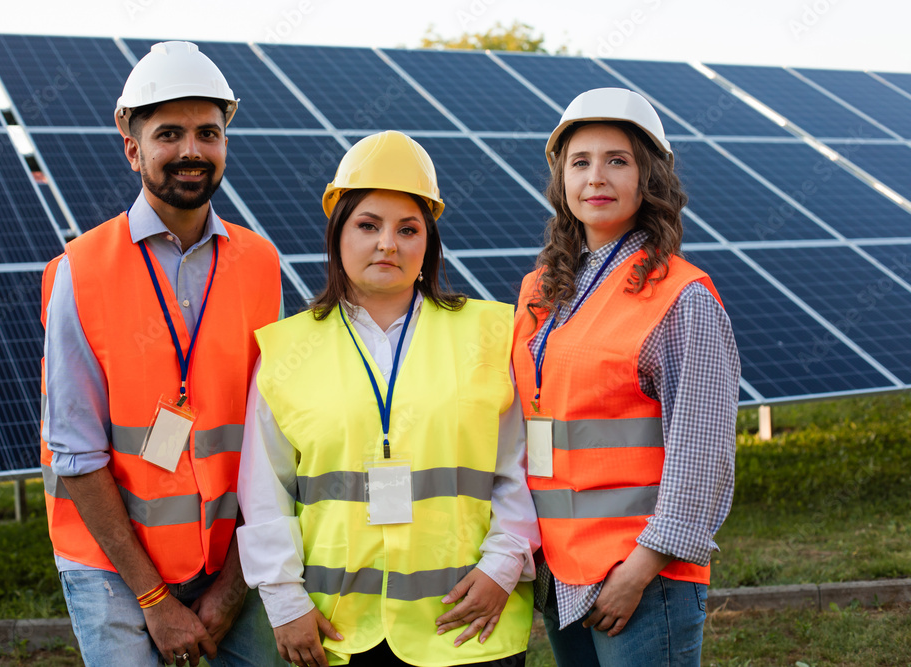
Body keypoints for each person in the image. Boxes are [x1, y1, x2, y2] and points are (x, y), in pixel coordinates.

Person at [236, 130, 539, 667]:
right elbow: (265, 489)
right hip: (339, 628)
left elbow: (521, 464)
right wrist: (283, 600)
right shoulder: (287, 348)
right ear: (337, 235)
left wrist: (504, 565)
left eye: (408, 229)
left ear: (429, 242)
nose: (388, 244)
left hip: (468, 623)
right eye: (368, 225)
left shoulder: (491, 333)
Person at [39, 41, 283, 667]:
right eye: (168, 133)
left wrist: (233, 583)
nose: (191, 151)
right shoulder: (82, 271)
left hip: (229, 552)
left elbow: (267, 439)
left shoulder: (259, 264)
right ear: (133, 149)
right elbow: (76, 452)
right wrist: (153, 598)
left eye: (209, 132)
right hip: (111, 566)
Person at [512, 88, 740, 666]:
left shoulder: (682, 295)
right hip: (560, 569)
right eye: (580, 162)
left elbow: (703, 451)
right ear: (562, 179)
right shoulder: (541, 291)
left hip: (642, 575)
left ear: (650, 178)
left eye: (618, 160)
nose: (597, 177)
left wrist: (640, 568)